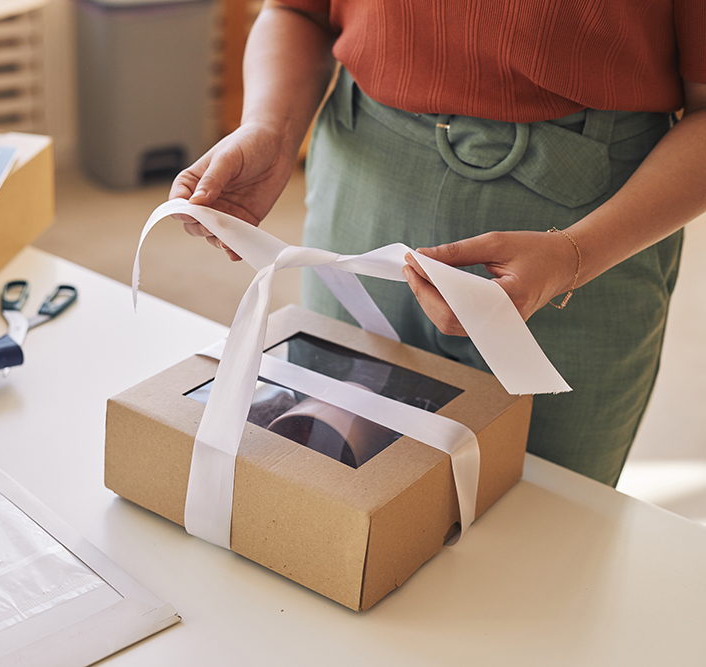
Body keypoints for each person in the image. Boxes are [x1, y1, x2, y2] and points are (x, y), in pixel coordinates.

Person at [170, 0, 706, 486]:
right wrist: (272, 128)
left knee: (540, 530)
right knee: (321, 487)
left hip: (589, 223)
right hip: (364, 189)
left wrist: (573, 254)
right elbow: (295, 10)